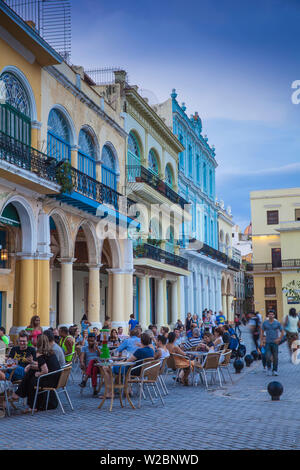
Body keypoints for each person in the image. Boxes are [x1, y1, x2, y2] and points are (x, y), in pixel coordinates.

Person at [11, 334, 61, 413]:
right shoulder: (49, 352)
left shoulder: (40, 354)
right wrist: (31, 365)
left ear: (38, 343)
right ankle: (20, 395)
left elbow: (45, 370)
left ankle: (30, 404)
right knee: (31, 373)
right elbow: (42, 365)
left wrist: (38, 374)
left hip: (50, 380)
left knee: (31, 381)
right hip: (56, 379)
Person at [101, 333, 154, 399]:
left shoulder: (139, 351)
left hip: (132, 370)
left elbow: (128, 361)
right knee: (117, 369)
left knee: (105, 368)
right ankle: (127, 390)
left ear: (141, 341)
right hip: (143, 371)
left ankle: (110, 392)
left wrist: (116, 363)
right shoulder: (151, 351)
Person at [260, 310, 284, 376]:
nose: (271, 315)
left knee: (275, 357)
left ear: (274, 315)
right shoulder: (265, 323)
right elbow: (262, 332)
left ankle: (275, 370)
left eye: (272, 314)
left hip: (275, 342)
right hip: (267, 342)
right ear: (268, 315)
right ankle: (269, 368)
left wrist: (279, 339)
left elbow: (282, 332)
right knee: (267, 356)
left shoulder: (277, 323)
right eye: (269, 314)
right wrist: (261, 341)